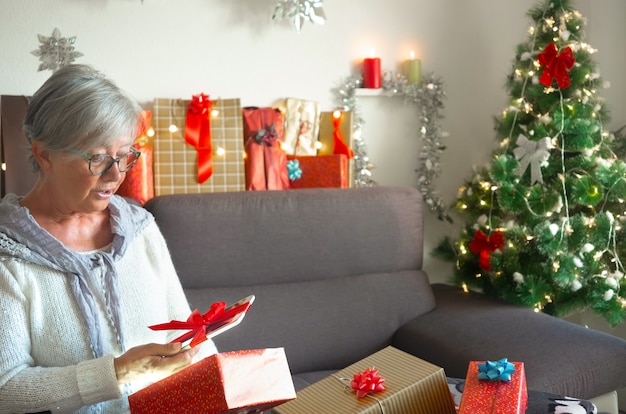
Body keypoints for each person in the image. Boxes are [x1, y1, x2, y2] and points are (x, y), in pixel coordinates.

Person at [0, 64, 217, 413]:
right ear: (44, 155)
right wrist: (117, 372)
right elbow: (6, 387)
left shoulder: (139, 229)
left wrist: (220, 390)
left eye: (125, 155)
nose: (116, 175)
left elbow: (186, 334)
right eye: (98, 158)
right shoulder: (8, 255)